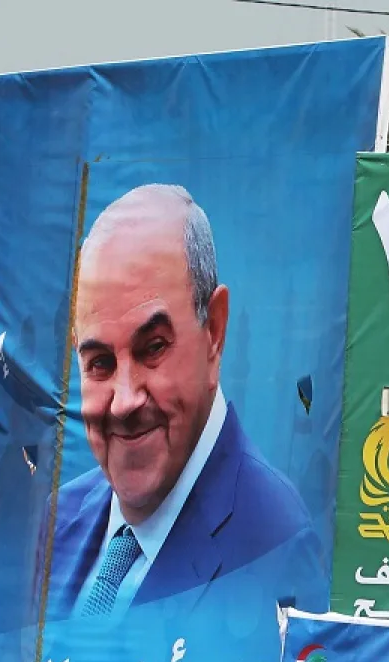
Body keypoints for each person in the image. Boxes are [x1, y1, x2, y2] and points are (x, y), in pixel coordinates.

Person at [43, 184, 321, 620]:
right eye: (99, 362)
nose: (124, 401)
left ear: (215, 331)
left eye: (152, 348)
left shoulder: (275, 547)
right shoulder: (57, 526)